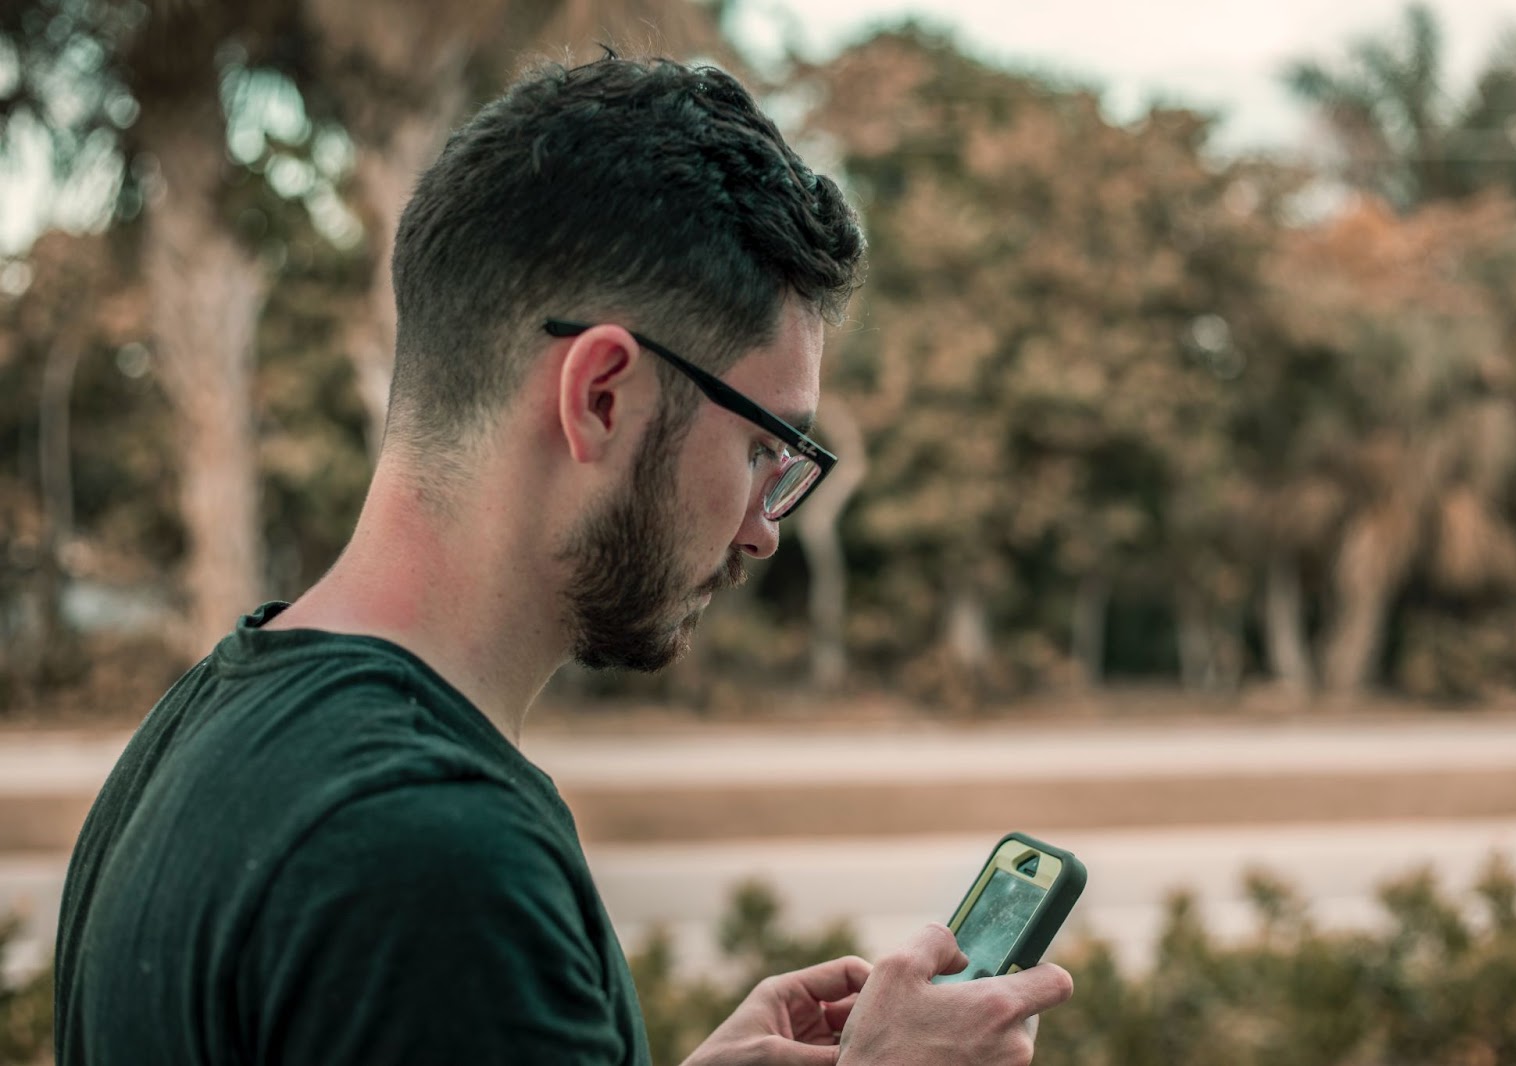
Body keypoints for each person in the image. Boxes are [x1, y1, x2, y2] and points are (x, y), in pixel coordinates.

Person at [54, 54, 1074, 1065]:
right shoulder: (434, 856)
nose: (763, 528)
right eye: (765, 446)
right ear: (601, 396)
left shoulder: (206, 726)